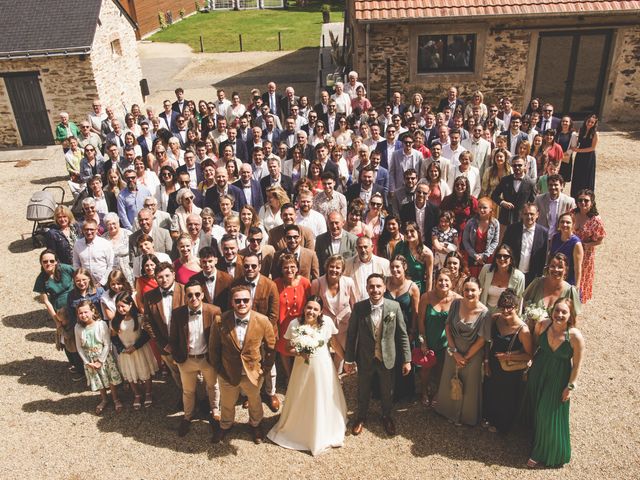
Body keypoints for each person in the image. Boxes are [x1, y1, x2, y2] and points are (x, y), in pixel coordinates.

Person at [267, 295, 347, 455]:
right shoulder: (295, 324)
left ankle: (325, 427)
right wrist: (299, 351)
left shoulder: (327, 323)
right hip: (302, 368)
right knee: (302, 394)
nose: (311, 311)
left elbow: (333, 342)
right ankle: (299, 430)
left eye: (315, 309)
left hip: (323, 366)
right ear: (304, 308)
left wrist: (346, 359)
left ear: (320, 311)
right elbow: (287, 348)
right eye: (309, 308)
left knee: (322, 394)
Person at [344, 274, 412, 436]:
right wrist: (349, 359)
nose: (375, 290)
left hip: (387, 356)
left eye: (378, 286)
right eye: (371, 286)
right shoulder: (359, 308)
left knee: (387, 390)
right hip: (365, 357)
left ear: (384, 288)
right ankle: (360, 417)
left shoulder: (394, 307)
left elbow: (402, 335)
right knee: (363, 389)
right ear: (367, 288)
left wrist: (407, 359)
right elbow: (351, 335)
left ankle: (386, 416)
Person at [210, 286, 277, 444]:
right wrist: (219, 369)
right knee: (227, 402)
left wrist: (264, 370)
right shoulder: (220, 320)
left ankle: (256, 425)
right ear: (232, 302)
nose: (242, 303)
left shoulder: (262, 320)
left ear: (251, 301)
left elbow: (271, 347)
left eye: (245, 300)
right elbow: (213, 348)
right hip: (227, 372)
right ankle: (225, 425)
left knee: (255, 401)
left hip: (253, 372)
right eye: (238, 300)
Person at [523, 298, 585, 468]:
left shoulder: (575, 337)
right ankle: (537, 439)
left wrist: (570, 386)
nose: (559, 314)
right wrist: (530, 362)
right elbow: (536, 346)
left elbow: (577, 365)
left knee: (547, 412)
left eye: (564, 312)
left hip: (558, 377)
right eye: (557, 310)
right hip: (539, 371)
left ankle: (541, 452)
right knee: (536, 407)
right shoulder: (542, 325)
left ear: (570, 315)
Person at [434, 277, 490, 426]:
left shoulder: (485, 312)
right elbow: (447, 327)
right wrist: (454, 352)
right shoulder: (456, 304)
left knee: (469, 386)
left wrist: (465, 357)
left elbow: (482, 340)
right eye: (466, 290)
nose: (469, 293)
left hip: (472, 355)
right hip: (453, 350)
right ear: (462, 290)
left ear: (480, 291)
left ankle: (466, 417)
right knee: (449, 381)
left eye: (473, 290)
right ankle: (447, 411)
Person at [170, 281, 222, 437]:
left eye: (197, 294)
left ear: (203, 295)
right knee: (188, 391)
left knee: (213, 386)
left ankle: (215, 412)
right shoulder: (178, 313)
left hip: (207, 358)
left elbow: (220, 337)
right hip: (187, 360)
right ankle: (187, 416)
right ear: (185, 296)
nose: (194, 298)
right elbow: (173, 338)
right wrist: (177, 357)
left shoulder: (214, 311)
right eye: (190, 295)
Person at [482, 289, 533, 433]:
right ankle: (488, 417)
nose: (505, 310)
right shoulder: (496, 319)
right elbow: (487, 340)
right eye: (502, 306)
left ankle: (502, 425)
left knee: (506, 397)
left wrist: (508, 356)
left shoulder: (523, 330)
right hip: (493, 363)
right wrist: (486, 361)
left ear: (516, 307)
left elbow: (529, 355)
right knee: (490, 391)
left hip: (510, 370)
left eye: (509, 307)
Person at [33, 250, 81, 379]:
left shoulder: (65, 269)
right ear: (41, 263)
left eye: (51, 261)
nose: (49, 264)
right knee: (67, 338)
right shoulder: (41, 279)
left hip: (76, 305)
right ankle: (77, 367)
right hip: (61, 311)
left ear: (56, 261)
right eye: (45, 261)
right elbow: (46, 301)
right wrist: (56, 320)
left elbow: (80, 277)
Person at [416, 268, 461, 406]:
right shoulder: (426, 297)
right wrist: (423, 342)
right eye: (440, 280)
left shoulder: (457, 300)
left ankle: (437, 393)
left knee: (442, 368)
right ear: (435, 281)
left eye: (446, 280)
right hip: (429, 339)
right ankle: (424, 391)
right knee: (425, 369)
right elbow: (421, 321)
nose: (443, 283)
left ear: (452, 283)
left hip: (447, 342)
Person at [142, 262, 185, 394]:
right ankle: (184, 396)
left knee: (192, 373)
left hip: (185, 342)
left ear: (173, 274)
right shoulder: (149, 296)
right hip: (165, 344)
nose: (164, 279)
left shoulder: (185, 290)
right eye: (160, 277)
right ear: (155, 278)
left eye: (167, 275)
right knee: (176, 372)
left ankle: (199, 398)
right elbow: (148, 322)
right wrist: (163, 343)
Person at [310, 255, 358, 373]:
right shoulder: (317, 283)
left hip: (345, 323)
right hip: (325, 324)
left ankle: (337, 377)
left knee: (341, 353)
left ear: (342, 270)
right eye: (332, 266)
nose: (334, 270)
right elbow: (313, 304)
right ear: (327, 267)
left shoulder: (349, 282)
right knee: (323, 353)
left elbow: (355, 304)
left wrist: (356, 324)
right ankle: (324, 375)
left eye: (338, 267)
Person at [74, 301, 123, 414]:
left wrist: (101, 360)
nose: (83, 315)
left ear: (93, 311)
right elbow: (79, 347)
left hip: (103, 357)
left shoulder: (101, 324)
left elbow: (107, 344)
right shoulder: (78, 327)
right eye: (80, 313)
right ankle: (104, 399)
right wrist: (87, 362)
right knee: (98, 379)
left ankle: (115, 398)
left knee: (109, 378)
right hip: (89, 358)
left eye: (86, 312)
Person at [111, 292, 158, 410]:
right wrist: (121, 348)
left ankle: (148, 392)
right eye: (118, 307)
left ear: (131, 304)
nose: (120, 309)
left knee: (145, 372)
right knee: (131, 374)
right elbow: (113, 337)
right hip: (125, 352)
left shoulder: (139, 318)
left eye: (123, 306)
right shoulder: (115, 321)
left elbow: (146, 335)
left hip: (139, 350)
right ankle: (137, 394)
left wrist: (135, 347)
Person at [385, 255, 420, 400]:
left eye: (397, 267)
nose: (394, 270)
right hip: (386, 325)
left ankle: (403, 393)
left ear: (404, 267)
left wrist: (412, 331)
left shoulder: (413, 287)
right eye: (392, 267)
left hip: (404, 327)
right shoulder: (385, 281)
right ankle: (384, 390)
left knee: (403, 358)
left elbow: (415, 312)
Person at [274, 253, 312, 379]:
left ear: (297, 268)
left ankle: (301, 377)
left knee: (300, 349)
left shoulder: (305, 282)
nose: (289, 270)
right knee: (284, 350)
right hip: (283, 323)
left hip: (301, 323)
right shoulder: (276, 284)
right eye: (285, 267)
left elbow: (310, 302)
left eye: (292, 266)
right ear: (281, 268)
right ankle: (289, 376)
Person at [522, 254, 582, 326]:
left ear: (566, 270)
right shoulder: (537, 283)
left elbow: (574, 320)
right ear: (548, 267)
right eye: (552, 266)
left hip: (556, 335)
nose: (556, 269)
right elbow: (523, 302)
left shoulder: (570, 291)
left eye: (560, 267)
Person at [502, 203, 549, 286]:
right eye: (526, 214)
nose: (529, 217)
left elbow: (543, 257)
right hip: (512, 274)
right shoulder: (512, 229)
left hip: (532, 277)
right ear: (521, 215)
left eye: (532, 214)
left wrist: (539, 276)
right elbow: (504, 249)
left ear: (537, 215)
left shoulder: (543, 232)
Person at [573, 189, 605, 303]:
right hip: (570, 251)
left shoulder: (596, 220)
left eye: (586, 201)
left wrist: (587, 245)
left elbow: (600, 239)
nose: (583, 203)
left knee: (581, 278)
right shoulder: (572, 214)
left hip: (585, 256)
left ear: (592, 202)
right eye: (580, 200)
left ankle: (577, 302)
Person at [491, 156, 536, 231]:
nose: (517, 167)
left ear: (525, 166)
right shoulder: (505, 180)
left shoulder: (530, 183)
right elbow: (494, 195)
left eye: (519, 165)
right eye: (514, 165)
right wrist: (502, 202)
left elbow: (533, 202)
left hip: (521, 220)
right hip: (504, 218)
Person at [477, 244, 525, 314]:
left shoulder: (519, 276)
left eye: (506, 256)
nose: (502, 259)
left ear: (511, 259)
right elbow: (478, 292)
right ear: (495, 259)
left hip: (505, 316)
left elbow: (519, 301)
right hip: (484, 313)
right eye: (499, 256)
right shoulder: (486, 269)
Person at [462, 197, 500, 277]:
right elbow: (465, 241)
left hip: (487, 259)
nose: (482, 210)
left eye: (484, 208)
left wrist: (484, 255)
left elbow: (495, 242)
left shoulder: (495, 223)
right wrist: (475, 255)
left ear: (490, 209)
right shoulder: (470, 222)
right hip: (472, 258)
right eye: (479, 207)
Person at [392, 221, 434, 294]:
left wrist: (428, 297)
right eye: (406, 232)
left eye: (412, 231)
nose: (409, 234)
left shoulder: (427, 253)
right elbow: (392, 267)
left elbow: (429, 277)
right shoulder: (400, 247)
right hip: (401, 287)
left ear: (418, 232)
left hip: (418, 289)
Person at [72, 220, 114, 286]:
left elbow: (111, 264)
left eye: (91, 229)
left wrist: (101, 283)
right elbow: (76, 264)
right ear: (82, 230)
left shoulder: (105, 244)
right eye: (86, 229)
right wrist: (81, 280)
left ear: (97, 229)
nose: (89, 232)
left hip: (105, 284)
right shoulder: (78, 244)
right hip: (86, 284)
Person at [548, 212, 583, 288]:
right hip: (555, 277)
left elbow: (578, 268)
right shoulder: (555, 237)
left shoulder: (576, 244)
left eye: (568, 222)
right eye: (562, 222)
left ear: (573, 225)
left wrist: (576, 287)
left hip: (569, 280)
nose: (564, 225)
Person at [571, 114, 599, 198]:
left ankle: (586, 196)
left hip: (588, 157)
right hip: (580, 157)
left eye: (592, 122)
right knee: (577, 175)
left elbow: (592, 148)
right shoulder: (581, 130)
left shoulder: (595, 133)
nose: (590, 124)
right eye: (588, 121)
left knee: (586, 176)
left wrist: (578, 150)